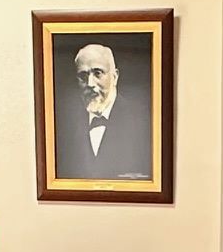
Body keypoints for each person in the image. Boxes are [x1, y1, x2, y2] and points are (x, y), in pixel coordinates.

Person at [56, 41, 152, 180]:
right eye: (83, 76)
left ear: (114, 77)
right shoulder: (63, 126)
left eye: (98, 73)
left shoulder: (143, 121)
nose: (90, 84)